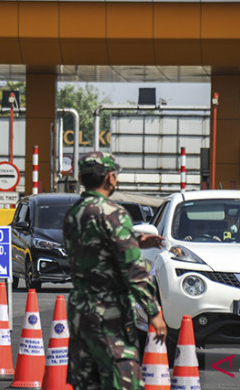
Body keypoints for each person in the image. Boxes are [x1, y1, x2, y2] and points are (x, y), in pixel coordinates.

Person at [63, 151, 167, 390]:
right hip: (108, 314)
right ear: (110, 178)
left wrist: (136, 240)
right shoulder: (113, 213)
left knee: (87, 382)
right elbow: (133, 269)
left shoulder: (73, 214)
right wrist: (154, 313)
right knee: (122, 381)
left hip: (80, 311)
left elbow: (94, 249)